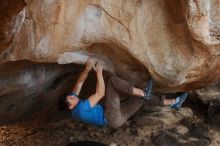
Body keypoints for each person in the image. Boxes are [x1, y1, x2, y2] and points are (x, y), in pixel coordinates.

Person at [65, 58, 188, 128]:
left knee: (141, 99)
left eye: (70, 95)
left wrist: (87, 69)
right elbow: (100, 93)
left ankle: (173, 102)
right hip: (110, 116)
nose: (72, 95)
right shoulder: (80, 109)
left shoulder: (74, 104)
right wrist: (99, 72)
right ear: (71, 105)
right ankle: (142, 92)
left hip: (116, 121)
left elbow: (79, 84)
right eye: (70, 98)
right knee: (112, 82)